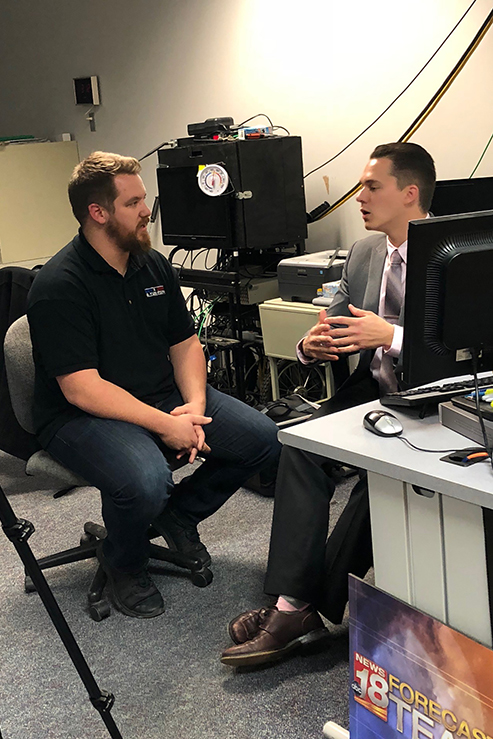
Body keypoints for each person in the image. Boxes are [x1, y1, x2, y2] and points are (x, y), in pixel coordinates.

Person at [27, 151, 281, 619]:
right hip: (78, 416)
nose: (147, 211)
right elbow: (82, 388)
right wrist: (166, 424)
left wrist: (194, 406)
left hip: (160, 397)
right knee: (145, 481)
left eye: (145, 198)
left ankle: (179, 515)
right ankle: (124, 561)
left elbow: (185, 342)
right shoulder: (59, 284)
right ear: (98, 213)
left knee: (265, 440)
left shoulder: (152, 265)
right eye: (134, 202)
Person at [221, 142, 436, 666]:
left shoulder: (451, 251)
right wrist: (310, 346)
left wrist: (392, 334)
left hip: (430, 402)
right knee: (300, 446)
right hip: (371, 392)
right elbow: (332, 323)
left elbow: (470, 351)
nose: (359, 197)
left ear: (410, 194)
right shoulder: (365, 253)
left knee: (378, 478)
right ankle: (299, 606)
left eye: (372, 187)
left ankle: (294, 606)